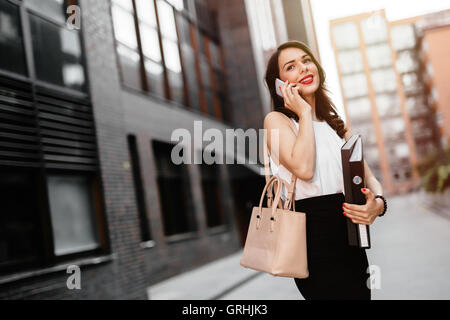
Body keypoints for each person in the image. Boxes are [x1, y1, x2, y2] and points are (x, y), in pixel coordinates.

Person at [263, 40, 387, 300]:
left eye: (306, 60)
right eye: (291, 66)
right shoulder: (278, 121)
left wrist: (378, 203)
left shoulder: (338, 127)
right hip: (313, 240)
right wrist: (304, 113)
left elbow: (370, 178)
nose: (303, 68)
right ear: (279, 84)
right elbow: (304, 168)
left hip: (351, 237)